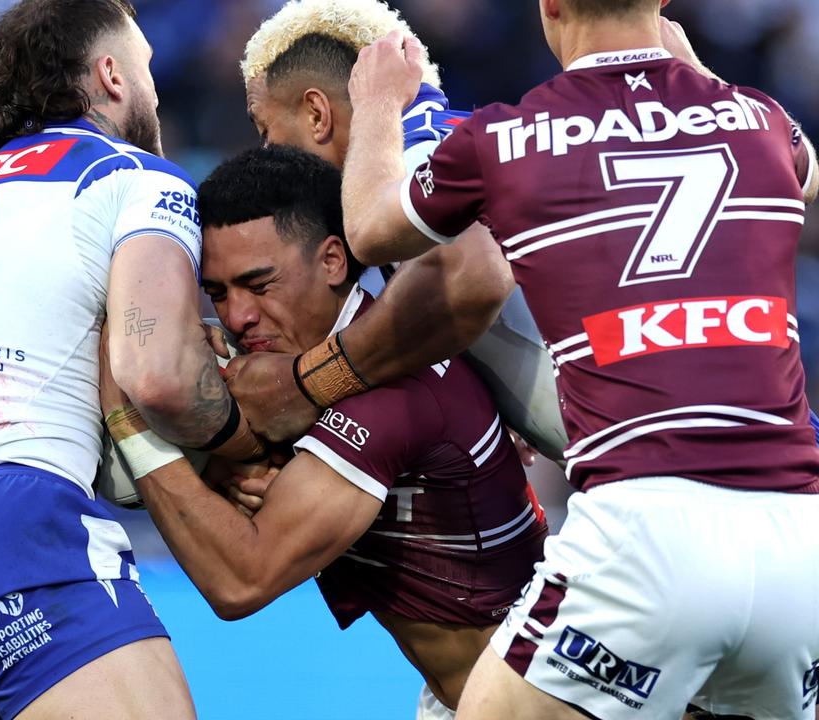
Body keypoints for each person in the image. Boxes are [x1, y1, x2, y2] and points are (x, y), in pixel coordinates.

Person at [332, 0, 819, 717]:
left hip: (645, 534)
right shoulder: (761, 119)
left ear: (549, 5)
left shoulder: (505, 136)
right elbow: (807, 178)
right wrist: (695, 72)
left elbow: (372, 230)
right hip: (797, 543)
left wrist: (377, 102)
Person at [0, 1, 260, 718]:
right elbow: (158, 375)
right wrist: (246, 442)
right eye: (147, 68)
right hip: (3, 530)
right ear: (112, 75)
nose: (155, 91)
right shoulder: (139, 177)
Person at [98, 144, 547, 719]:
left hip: (541, 703)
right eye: (218, 293)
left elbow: (241, 579)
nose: (237, 316)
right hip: (468, 695)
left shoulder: (390, 398)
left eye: (259, 285)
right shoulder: (319, 359)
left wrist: (133, 425)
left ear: (334, 261)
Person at [227, 0, 568, 465]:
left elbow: (470, 272)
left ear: (316, 114)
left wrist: (314, 382)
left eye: (265, 129)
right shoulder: (456, 136)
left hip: (655, 456)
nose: (265, 153)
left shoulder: (421, 147)